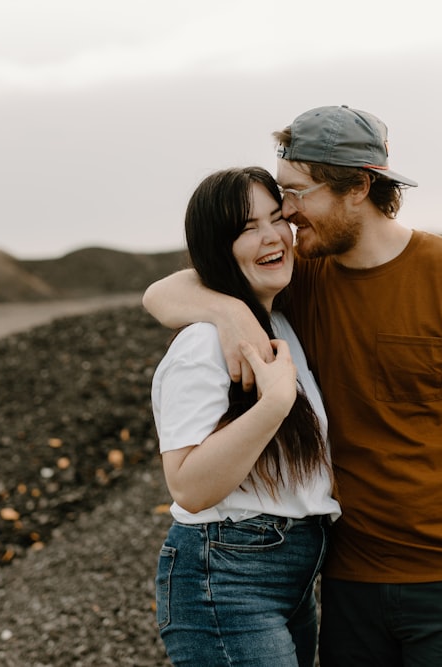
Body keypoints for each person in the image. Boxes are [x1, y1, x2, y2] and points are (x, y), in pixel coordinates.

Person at [143, 106, 442, 666]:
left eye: (295, 193)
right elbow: (163, 292)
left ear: (358, 186)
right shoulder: (302, 277)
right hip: (349, 584)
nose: (286, 216)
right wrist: (228, 313)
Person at [151, 166, 341, 666]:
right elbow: (188, 486)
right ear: (218, 246)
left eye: (277, 218)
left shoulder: (278, 320)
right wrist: (274, 406)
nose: (271, 236)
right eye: (246, 228)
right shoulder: (202, 345)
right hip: (228, 577)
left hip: (287, 574)